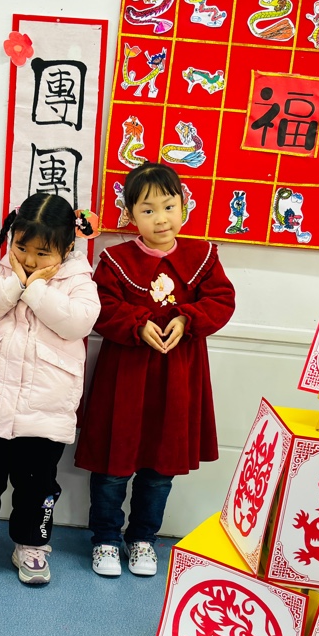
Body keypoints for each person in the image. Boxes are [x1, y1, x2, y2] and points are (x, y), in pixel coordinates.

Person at [74, 161, 235, 578]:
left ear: (184, 207)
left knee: (161, 469)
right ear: (130, 215)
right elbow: (100, 307)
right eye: (147, 210)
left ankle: (143, 538)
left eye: (168, 206)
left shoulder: (203, 256)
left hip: (178, 377)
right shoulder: (115, 260)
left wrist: (187, 319)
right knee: (113, 467)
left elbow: (221, 300)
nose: (160, 218)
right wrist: (136, 324)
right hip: (125, 376)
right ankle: (105, 539)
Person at [0, 194, 100, 586]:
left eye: (42, 252)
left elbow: (78, 322)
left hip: (45, 413)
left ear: (67, 248)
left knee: (38, 488)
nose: (29, 260)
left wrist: (34, 289)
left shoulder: (79, 282)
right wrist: (15, 282)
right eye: (22, 248)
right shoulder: (2, 273)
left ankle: (32, 545)